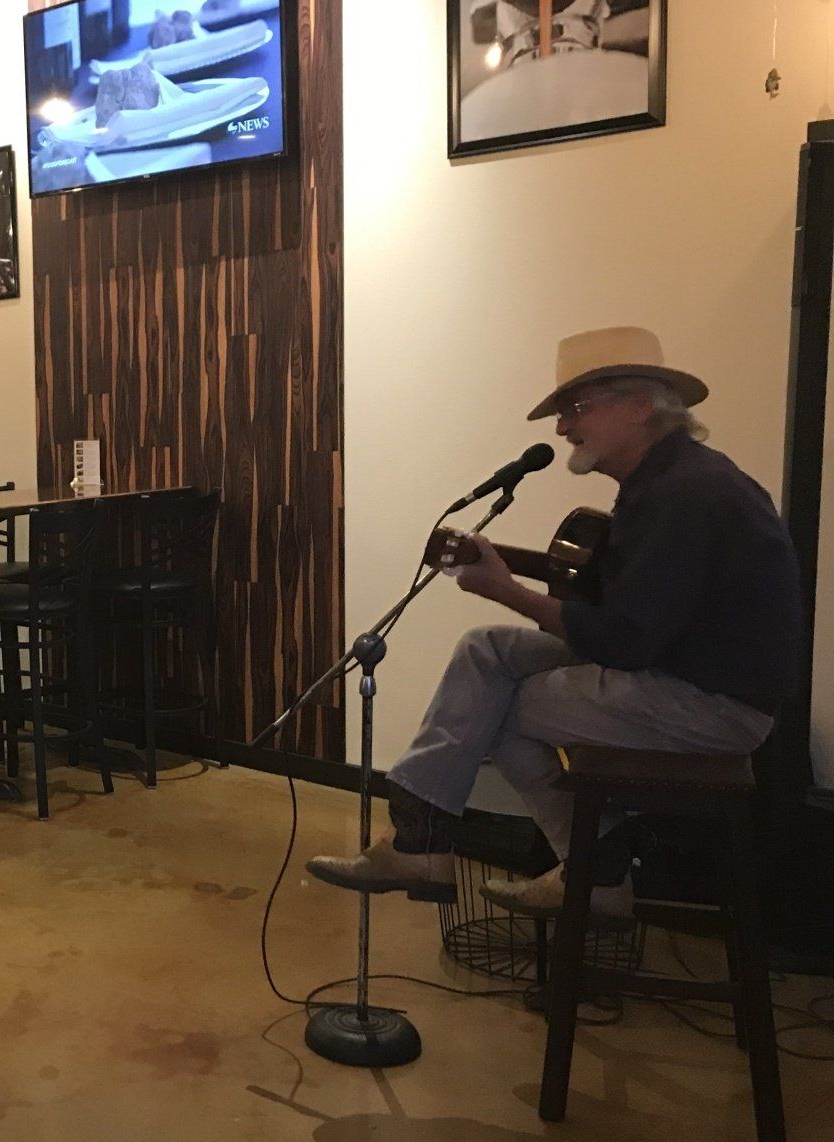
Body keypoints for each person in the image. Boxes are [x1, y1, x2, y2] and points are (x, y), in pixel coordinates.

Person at [308, 327, 803, 926]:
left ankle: (587, 867)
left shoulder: (685, 495)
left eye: (577, 409)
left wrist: (506, 588)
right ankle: (424, 841)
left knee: (491, 704)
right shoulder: (668, 482)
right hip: (673, 673)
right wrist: (511, 574)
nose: (564, 428)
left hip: (713, 706)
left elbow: (621, 639)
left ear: (639, 406)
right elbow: (628, 608)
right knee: (487, 651)